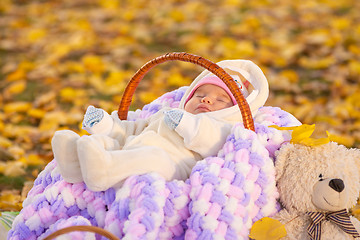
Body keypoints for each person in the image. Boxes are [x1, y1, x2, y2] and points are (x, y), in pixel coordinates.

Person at [51, 59, 269, 191]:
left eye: (220, 99)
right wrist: (104, 125)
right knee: (101, 143)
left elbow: (214, 141)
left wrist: (189, 125)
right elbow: (133, 130)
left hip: (172, 166)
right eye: (199, 94)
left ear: (232, 110)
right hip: (132, 148)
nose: (206, 100)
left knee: (152, 158)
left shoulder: (224, 127)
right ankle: (75, 166)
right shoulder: (168, 114)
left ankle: (105, 172)